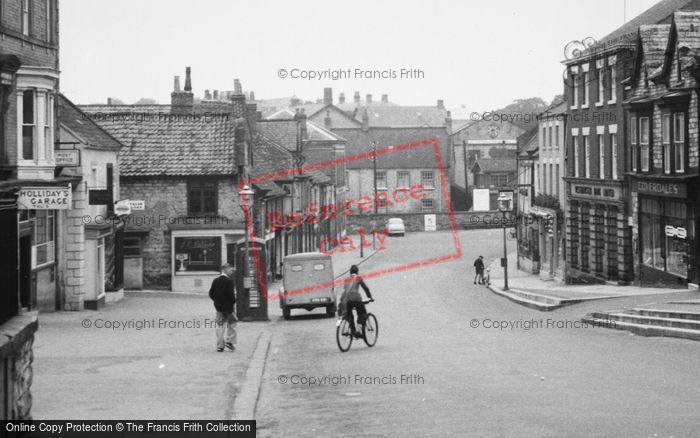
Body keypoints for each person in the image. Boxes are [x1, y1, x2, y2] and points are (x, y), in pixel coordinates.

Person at [339, 265, 373, 339]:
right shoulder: (358, 278)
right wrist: (370, 297)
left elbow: (345, 290)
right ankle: (358, 330)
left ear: (350, 272)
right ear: (357, 272)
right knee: (362, 314)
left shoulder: (346, 279)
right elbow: (366, 288)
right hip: (357, 299)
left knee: (349, 315)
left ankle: (351, 331)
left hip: (348, 300)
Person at [209, 264, 237, 352]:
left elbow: (211, 294)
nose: (231, 271)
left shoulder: (215, 280)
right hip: (228, 308)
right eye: (230, 270)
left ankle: (220, 346)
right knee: (232, 324)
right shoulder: (229, 281)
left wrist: (217, 302)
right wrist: (232, 303)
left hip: (218, 307)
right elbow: (231, 296)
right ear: (225, 270)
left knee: (220, 326)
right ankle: (230, 341)